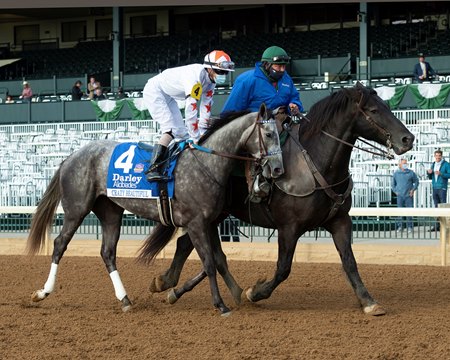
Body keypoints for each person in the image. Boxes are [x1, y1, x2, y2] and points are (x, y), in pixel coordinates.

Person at [143, 50, 235, 181]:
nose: (223, 75)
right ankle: (153, 169)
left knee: (181, 133)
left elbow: (205, 109)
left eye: (225, 72)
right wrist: (194, 137)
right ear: (208, 68)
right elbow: (191, 109)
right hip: (155, 91)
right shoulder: (195, 77)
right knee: (170, 128)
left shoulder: (211, 82)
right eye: (220, 71)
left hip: (168, 96)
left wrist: (202, 134)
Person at [221, 45, 303, 116]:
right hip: (254, 126)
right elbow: (230, 111)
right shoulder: (246, 80)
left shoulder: (287, 79)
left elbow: (294, 98)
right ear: (266, 65)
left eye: (284, 66)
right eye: (278, 66)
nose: (282, 70)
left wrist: (294, 105)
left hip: (281, 124)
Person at [391, 158, 419, 234]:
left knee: (409, 211)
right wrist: (395, 191)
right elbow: (393, 184)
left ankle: (410, 227)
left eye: (406, 163)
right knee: (399, 212)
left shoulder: (411, 173)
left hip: (408, 195)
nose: (405, 165)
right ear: (399, 164)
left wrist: (413, 190)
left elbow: (416, 181)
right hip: (400, 196)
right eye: (403, 163)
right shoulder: (396, 173)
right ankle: (400, 227)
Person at [427, 149, 450, 231]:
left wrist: (441, 174)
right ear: (434, 156)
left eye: (439, 155)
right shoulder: (433, 164)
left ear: (441, 156)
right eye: (436, 155)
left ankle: (443, 226)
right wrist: (429, 173)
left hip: (442, 187)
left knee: (442, 207)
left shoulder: (446, 164)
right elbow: (430, 177)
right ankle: (437, 226)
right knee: (436, 207)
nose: (437, 157)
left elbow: (449, 174)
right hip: (435, 187)